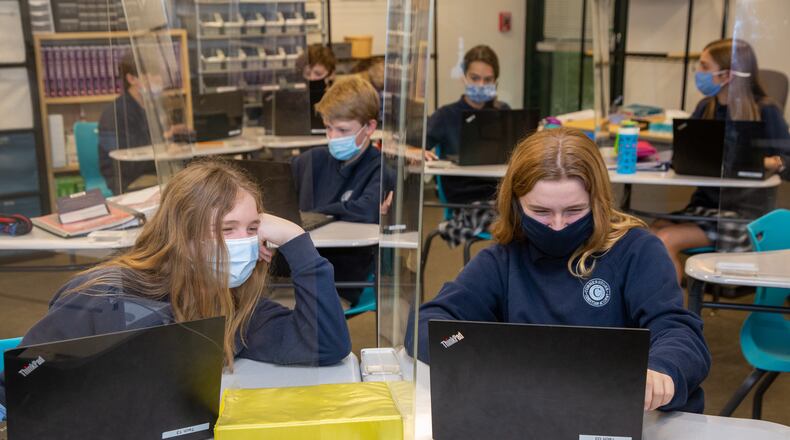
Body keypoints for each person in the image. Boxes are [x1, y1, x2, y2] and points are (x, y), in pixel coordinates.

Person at [0, 160, 352, 419]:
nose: (243, 242)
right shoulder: (103, 299)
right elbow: (19, 387)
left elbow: (325, 345)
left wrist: (296, 240)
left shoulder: (234, 303)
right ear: (182, 236)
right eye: (226, 229)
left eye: (252, 229)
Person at [406, 128, 711, 413]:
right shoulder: (504, 260)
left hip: (619, 411)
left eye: (574, 210)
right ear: (515, 205)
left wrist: (661, 370)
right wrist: (466, 352)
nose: (557, 225)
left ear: (598, 202)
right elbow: (430, 324)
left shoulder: (637, 250)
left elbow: (677, 331)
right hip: (534, 412)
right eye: (540, 211)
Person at [651, 38, 790, 283]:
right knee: (648, 235)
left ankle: (673, 309)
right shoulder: (706, 106)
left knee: (664, 240)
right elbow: (686, 154)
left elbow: (787, 161)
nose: (699, 72)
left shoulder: (765, 109)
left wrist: (768, 162)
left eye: (705, 66)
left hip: (742, 215)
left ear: (727, 74)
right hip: (703, 207)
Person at [290, 76, 391, 305]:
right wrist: (340, 210)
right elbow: (275, 199)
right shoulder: (310, 160)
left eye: (343, 130)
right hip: (295, 271)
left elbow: (366, 210)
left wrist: (313, 214)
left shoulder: (381, 168)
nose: (333, 137)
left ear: (370, 127)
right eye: (328, 128)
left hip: (343, 277)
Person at [425, 45, 509, 245]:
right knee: (513, 224)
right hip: (463, 201)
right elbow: (414, 145)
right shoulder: (445, 116)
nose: (481, 84)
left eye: (487, 80)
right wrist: (419, 151)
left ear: (495, 82)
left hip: (500, 195)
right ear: (463, 77)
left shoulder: (503, 112)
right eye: (475, 78)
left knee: (531, 215)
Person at [98, 51, 159, 194]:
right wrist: (163, 142)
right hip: (130, 181)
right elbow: (127, 162)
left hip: (152, 174)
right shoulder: (115, 113)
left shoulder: (151, 109)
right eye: (151, 74)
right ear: (131, 78)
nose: (158, 79)